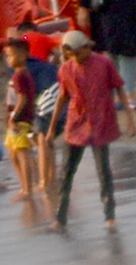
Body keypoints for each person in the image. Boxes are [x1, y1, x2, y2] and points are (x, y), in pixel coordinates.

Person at [51, 30, 124, 228]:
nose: (75, 58)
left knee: (104, 171)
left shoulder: (103, 63)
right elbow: (61, 99)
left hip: (100, 121)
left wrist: (130, 119)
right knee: (66, 171)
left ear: (87, 48)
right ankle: (60, 217)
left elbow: (118, 87)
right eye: (70, 55)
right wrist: (51, 128)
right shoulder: (66, 69)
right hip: (76, 123)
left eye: (77, 53)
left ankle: (110, 216)